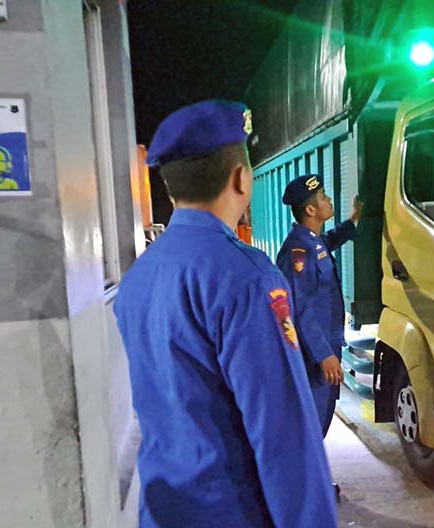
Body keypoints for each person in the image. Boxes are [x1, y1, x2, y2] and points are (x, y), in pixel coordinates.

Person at [114, 101, 337, 528]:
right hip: (233, 512)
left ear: (169, 188)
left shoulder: (140, 275)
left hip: (166, 509)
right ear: (240, 178)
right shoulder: (247, 276)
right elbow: (283, 432)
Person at [275, 174, 362, 494]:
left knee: (320, 418)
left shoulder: (312, 241)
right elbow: (299, 307)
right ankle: (302, 487)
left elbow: (329, 244)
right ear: (310, 210)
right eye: (323, 198)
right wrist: (323, 354)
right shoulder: (297, 251)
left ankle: (310, 481)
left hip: (326, 347)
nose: (329, 202)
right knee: (310, 421)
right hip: (315, 354)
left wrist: (353, 221)